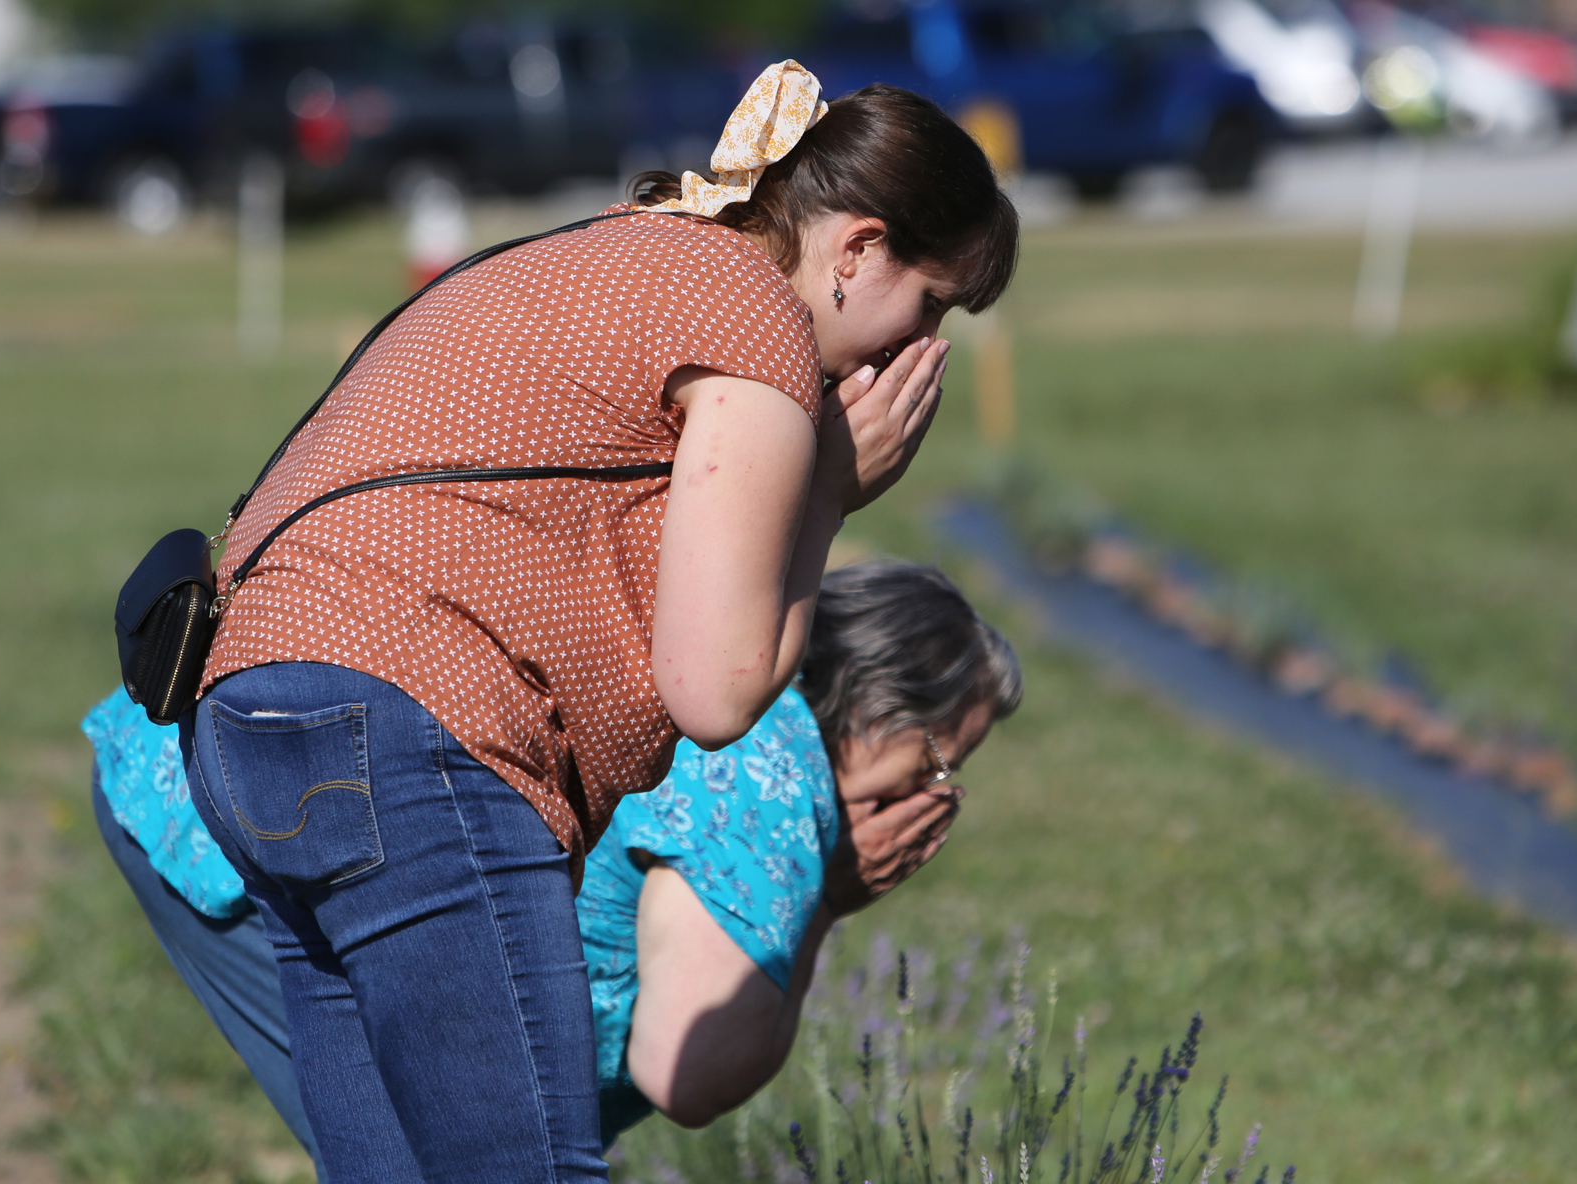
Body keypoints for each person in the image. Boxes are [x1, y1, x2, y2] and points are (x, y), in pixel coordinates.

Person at [176, 58, 1017, 1182]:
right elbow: (714, 687)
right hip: (418, 730)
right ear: (858, 250)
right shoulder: (758, 323)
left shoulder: (629, 248)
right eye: (931, 305)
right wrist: (826, 496)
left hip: (246, 713)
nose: (917, 352)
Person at [88, 561, 1021, 1168]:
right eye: (945, 765)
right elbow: (687, 1072)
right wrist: (824, 906)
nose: (941, 800)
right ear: (885, 712)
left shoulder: (727, 674)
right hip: (250, 829)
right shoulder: (774, 783)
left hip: (248, 757)